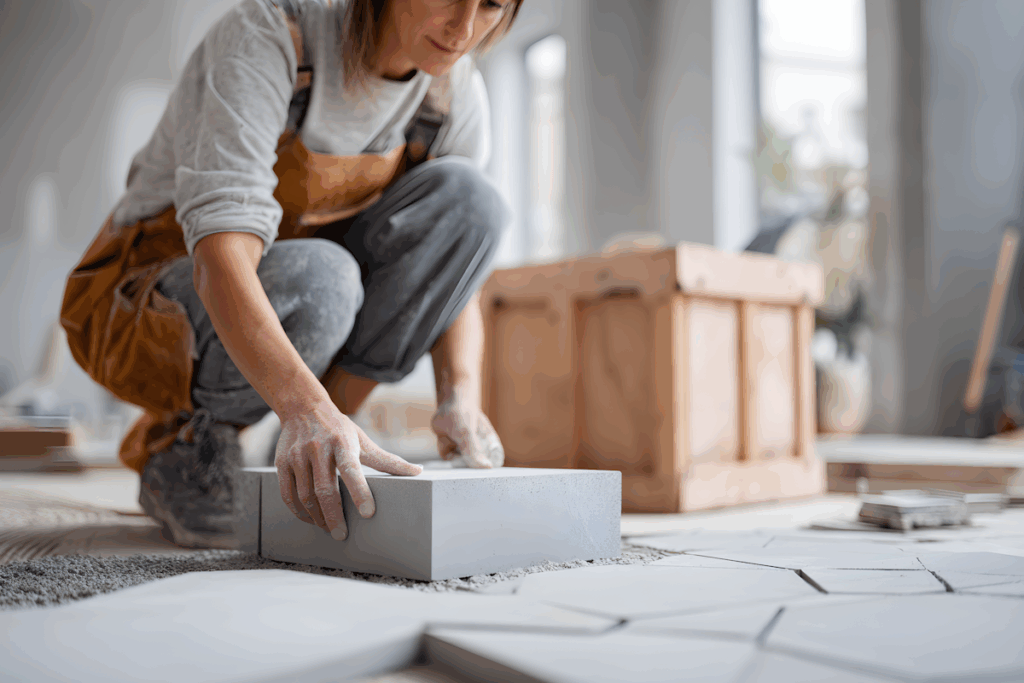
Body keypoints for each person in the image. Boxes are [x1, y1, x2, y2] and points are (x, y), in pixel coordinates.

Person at [60, 0, 523, 549]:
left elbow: (453, 272)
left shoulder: (453, 91)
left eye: (491, 4)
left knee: (473, 202)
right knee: (324, 277)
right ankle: (185, 444)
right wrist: (305, 407)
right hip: (137, 303)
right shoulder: (271, 34)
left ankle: (320, 440)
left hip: (298, 290)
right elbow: (221, 257)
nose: (465, 28)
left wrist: (459, 397)